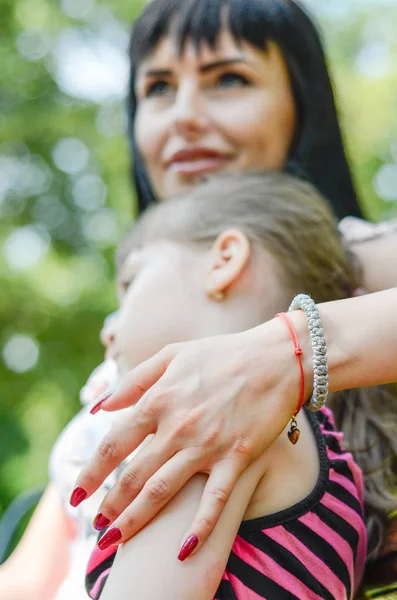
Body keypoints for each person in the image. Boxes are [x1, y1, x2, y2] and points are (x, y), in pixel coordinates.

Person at [1, 0, 396, 597]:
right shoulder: (135, 340)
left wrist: (284, 353)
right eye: (157, 88)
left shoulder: (360, 257)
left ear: (301, 106)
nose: (183, 116)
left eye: (229, 79)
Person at [83, 172, 397, 599]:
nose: (109, 332)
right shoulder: (327, 455)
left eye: (130, 283)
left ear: (224, 259)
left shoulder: (211, 421)